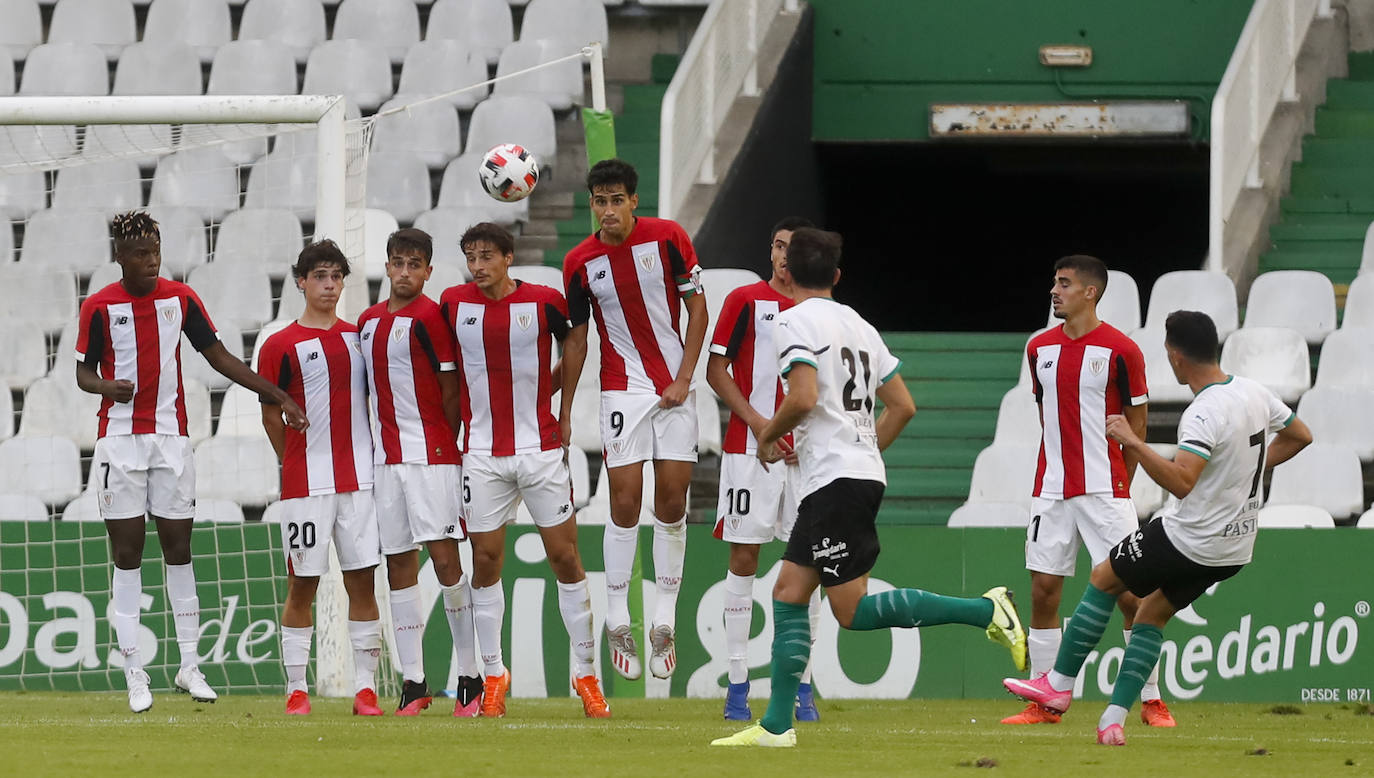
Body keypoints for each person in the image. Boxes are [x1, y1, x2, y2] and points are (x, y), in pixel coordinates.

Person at [711, 228, 1026, 748]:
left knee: (850, 611)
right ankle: (775, 728)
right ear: (836, 275)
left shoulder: (792, 320)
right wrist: (863, 452)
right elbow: (902, 405)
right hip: (849, 474)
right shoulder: (859, 324)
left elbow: (803, 395)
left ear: (787, 272)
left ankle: (987, 610)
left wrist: (766, 436)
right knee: (788, 593)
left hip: (834, 479)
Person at [1006, 310, 1312, 745]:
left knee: (1103, 576)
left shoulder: (1203, 412)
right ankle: (1113, 719)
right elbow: (1301, 434)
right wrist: (1243, 474)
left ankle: (1056, 685)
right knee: (1151, 612)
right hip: (1234, 548)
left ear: (1174, 355)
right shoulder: (1254, 392)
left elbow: (1182, 483)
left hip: (1190, 536)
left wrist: (1133, 443)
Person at [76, 211, 308, 713]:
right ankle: (135, 671)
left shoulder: (180, 299)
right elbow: (82, 373)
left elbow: (219, 356)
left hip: (172, 442)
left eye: (156, 251)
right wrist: (106, 387)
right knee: (128, 556)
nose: (151, 260)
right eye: (140, 253)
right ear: (119, 256)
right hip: (119, 441)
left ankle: (188, 665)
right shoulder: (98, 307)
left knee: (179, 551)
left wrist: (276, 394)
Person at [440, 222, 610, 719]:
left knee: (565, 557)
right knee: (486, 562)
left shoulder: (544, 301)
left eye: (487, 255)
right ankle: (494, 674)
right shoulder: (453, 304)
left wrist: (560, 406)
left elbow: (577, 343)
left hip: (539, 449)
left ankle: (585, 674)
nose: (478, 265)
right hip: (482, 454)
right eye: (471, 256)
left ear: (509, 258)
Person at [1004, 255, 1176, 728]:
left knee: (1130, 596)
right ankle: (1045, 701)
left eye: (1064, 284)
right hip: (1052, 488)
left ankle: (1152, 698)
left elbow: (1136, 428)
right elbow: (1050, 419)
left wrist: (1123, 486)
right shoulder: (1039, 348)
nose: (1054, 291)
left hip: (1106, 489)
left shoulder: (1123, 351)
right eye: (1054, 282)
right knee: (1043, 590)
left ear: (1090, 292)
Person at [560, 158, 708, 681]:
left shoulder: (669, 239)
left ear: (633, 201)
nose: (607, 210)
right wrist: (563, 412)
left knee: (671, 502)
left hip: (675, 388)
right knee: (623, 500)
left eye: (616, 199)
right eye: (599, 201)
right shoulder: (579, 262)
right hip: (622, 391)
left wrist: (685, 378)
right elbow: (577, 340)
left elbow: (699, 312)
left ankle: (663, 620)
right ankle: (619, 616)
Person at [357, 228, 482, 717]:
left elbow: (452, 390)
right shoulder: (366, 323)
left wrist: (444, 445)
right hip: (386, 462)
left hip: (431, 458)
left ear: (429, 271)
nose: (405, 273)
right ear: (386, 267)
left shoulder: (432, 318)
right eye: (397, 263)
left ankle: (470, 675)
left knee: (446, 562)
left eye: (415, 265)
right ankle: (414, 681)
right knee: (398, 565)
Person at [258, 240, 384, 717]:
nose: (329, 286)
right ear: (301, 283)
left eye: (336, 277)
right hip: (305, 486)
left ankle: (366, 690)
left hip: (358, 483)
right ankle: (296, 689)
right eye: (320, 277)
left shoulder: (359, 338)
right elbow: (271, 415)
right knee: (302, 586)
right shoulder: (278, 344)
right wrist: (292, 463)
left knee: (362, 584)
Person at [706, 216, 823, 722]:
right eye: (777, 245)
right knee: (744, 560)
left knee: (809, 565)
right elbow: (716, 369)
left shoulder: (820, 311)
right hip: (747, 450)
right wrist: (761, 426)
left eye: (792, 248)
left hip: (808, 458)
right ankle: (736, 685)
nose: (782, 255)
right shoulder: (743, 300)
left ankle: (801, 685)